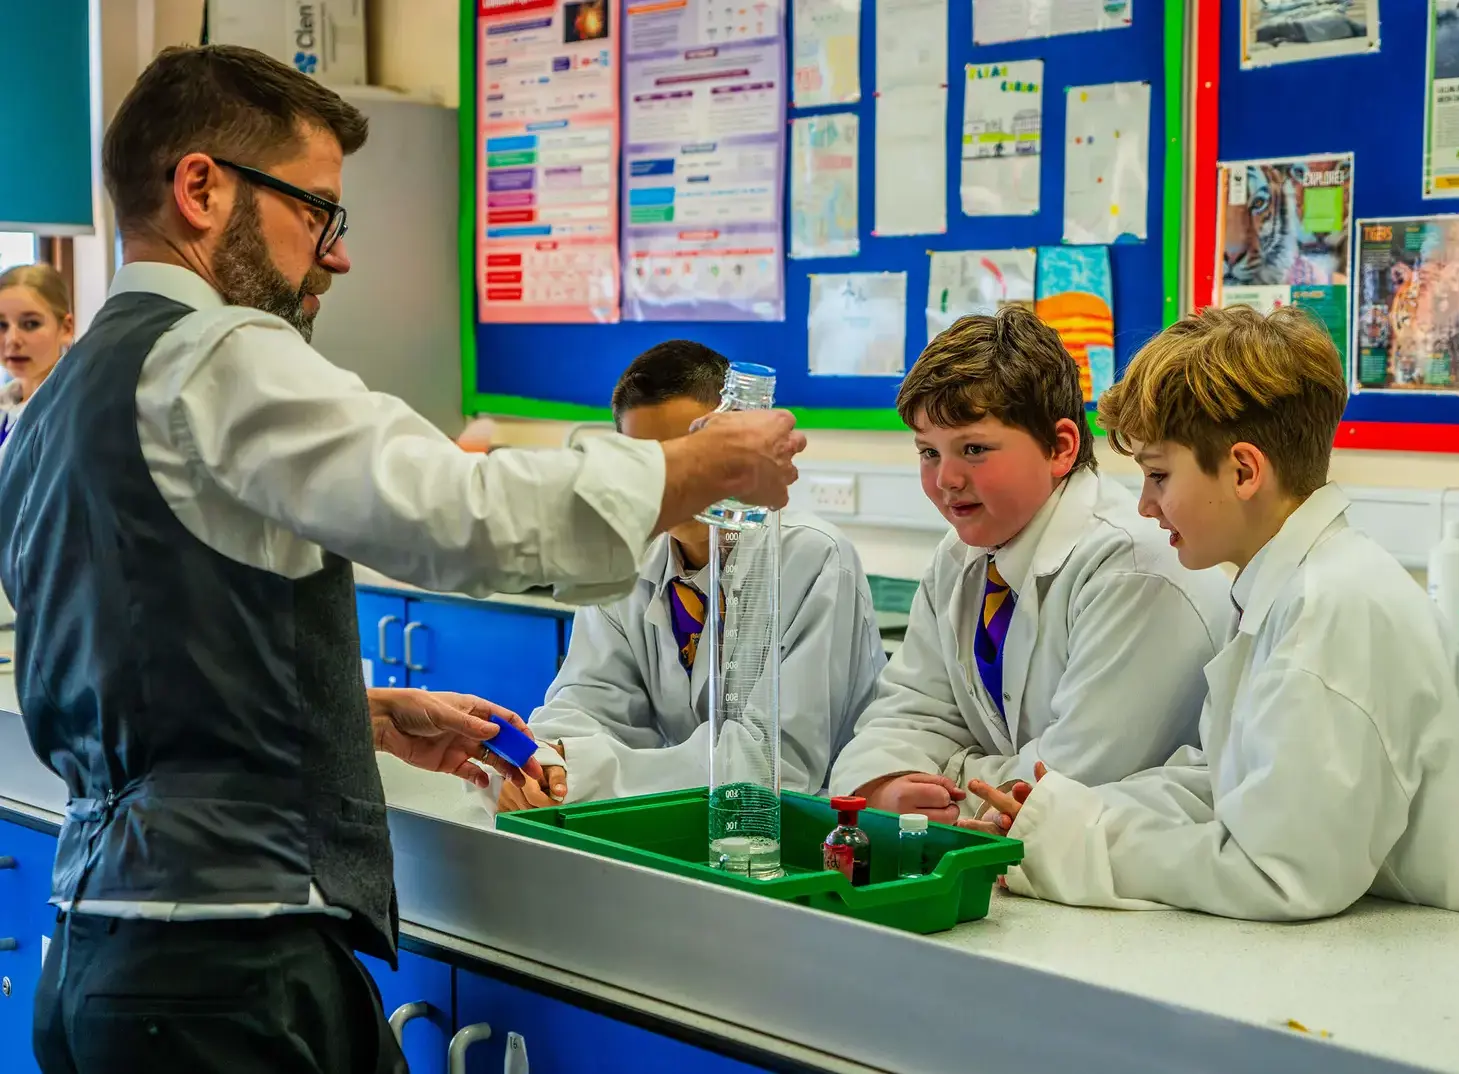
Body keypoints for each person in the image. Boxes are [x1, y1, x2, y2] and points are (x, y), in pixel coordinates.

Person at [0, 45, 805, 1074]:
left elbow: (131, 645)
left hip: (103, 955)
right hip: (220, 966)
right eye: (315, 212)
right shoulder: (216, 354)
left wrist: (344, 710)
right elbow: (456, 513)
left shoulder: (64, 398)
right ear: (200, 188)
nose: (334, 256)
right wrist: (690, 467)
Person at [964, 304, 1459, 931]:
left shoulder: (1332, 609)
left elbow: (1277, 871)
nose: (1144, 505)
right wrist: (1067, 810)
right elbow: (1228, 785)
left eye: (1159, 475)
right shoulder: (1282, 588)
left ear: (1245, 470)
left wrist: (1077, 845)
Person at [827, 306, 1231, 823]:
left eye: (974, 448)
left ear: (1060, 448)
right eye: (928, 452)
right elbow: (904, 714)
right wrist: (882, 787)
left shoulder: (1134, 568)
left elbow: (1065, 785)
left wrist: (944, 780)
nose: (945, 479)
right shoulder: (961, 556)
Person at [491, 341, 885, 813]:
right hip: (682, 823)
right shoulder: (626, 558)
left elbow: (772, 768)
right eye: (648, 463)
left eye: (689, 454)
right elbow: (584, 703)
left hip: (797, 834)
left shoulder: (813, 559)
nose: (672, 479)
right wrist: (549, 765)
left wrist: (593, 772)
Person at [0, 262, 74, 446]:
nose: (12, 340)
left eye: (30, 324)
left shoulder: (77, 412)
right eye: (1, 326)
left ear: (66, 328)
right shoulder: (6, 404)